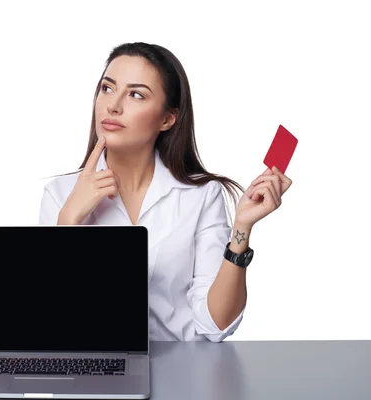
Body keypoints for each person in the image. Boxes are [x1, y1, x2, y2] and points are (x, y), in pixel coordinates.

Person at [38, 42, 293, 342]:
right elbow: (51, 322)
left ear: (167, 119)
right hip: (97, 372)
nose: (113, 105)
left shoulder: (201, 195)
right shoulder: (60, 194)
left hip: (184, 373)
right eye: (107, 88)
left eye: (136, 94)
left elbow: (215, 325)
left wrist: (242, 229)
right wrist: (68, 222)